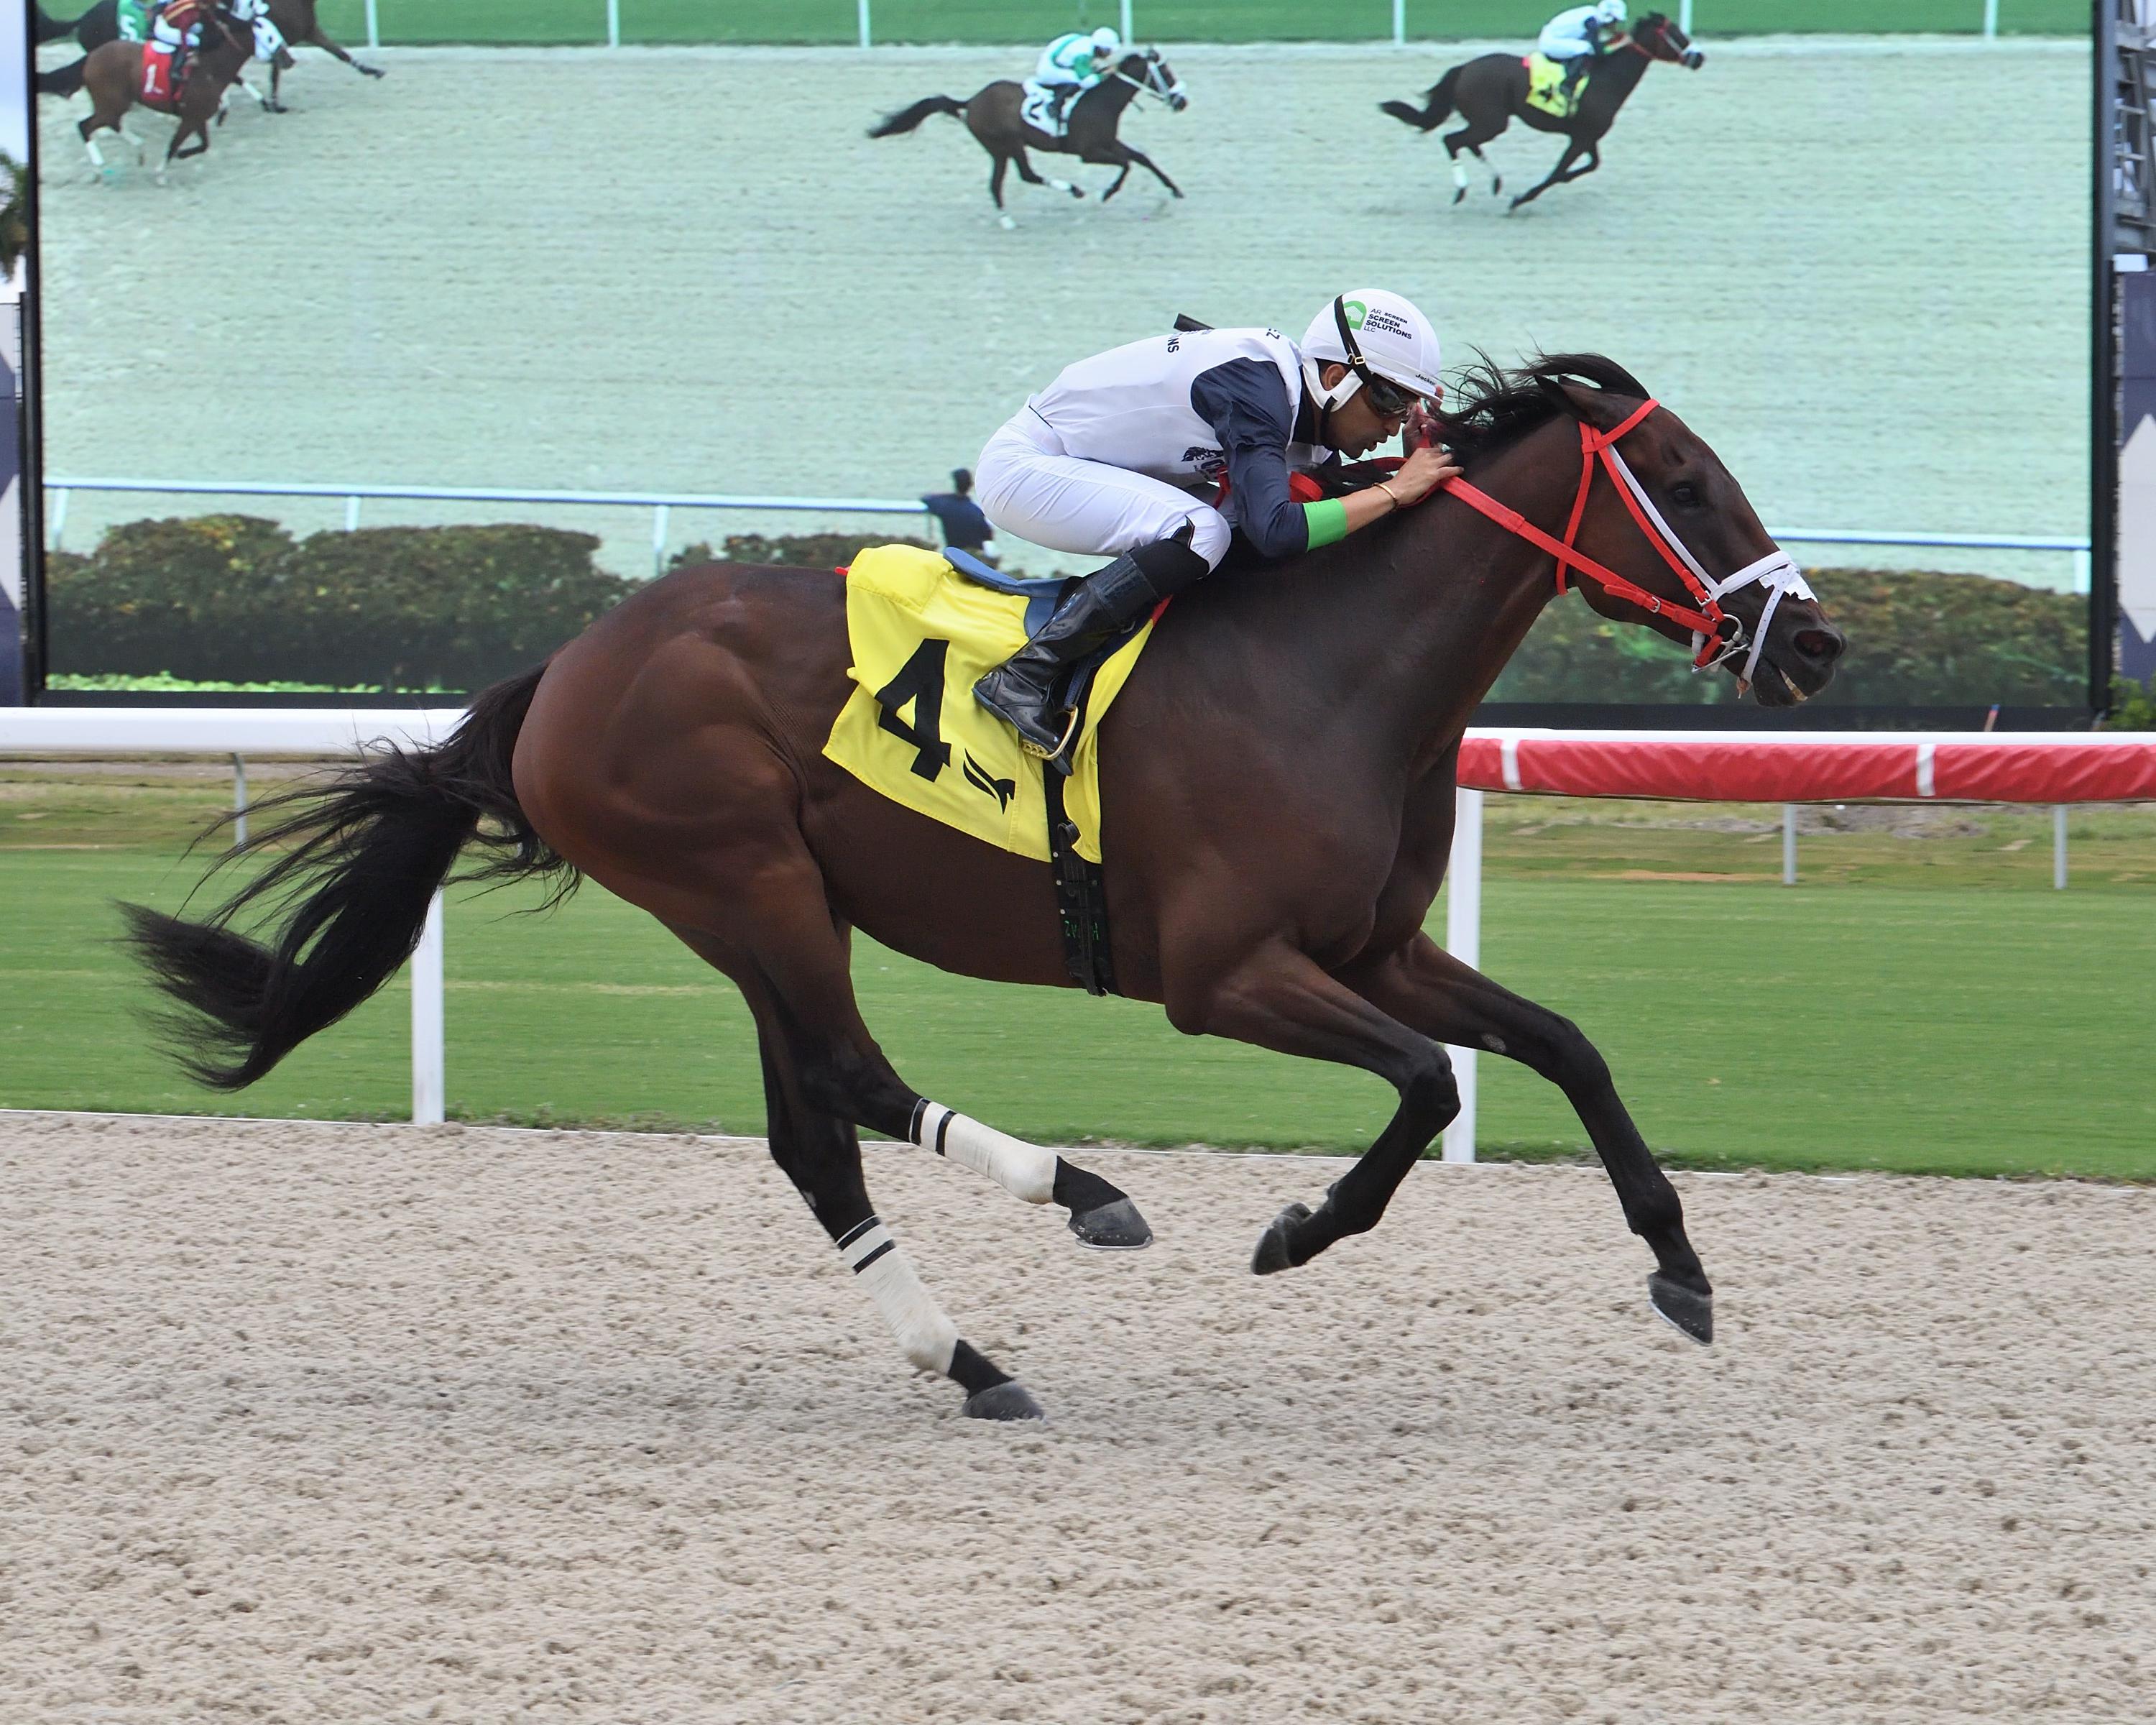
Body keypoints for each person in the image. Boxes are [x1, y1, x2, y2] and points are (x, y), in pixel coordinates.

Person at [969, 290, 1460, 758]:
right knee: (1202, 531)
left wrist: (1408, 457)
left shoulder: (1298, 409)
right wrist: (1395, 492)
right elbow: (1278, 532)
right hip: (1028, 467)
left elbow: (1307, 516)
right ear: (1334, 379)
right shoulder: (1259, 392)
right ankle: (1026, 675)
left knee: (1225, 529)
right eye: (1390, 402)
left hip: (1082, 465)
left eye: (1410, 404)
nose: (1396, 423)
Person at [1027, 24, 1120, 133]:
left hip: (1055, 60)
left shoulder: (1087, 44)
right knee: (1079, 80)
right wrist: (1106, 75)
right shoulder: (1083, 53)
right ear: (1100, 48)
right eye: (1108, 51)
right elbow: (1086, 82)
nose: (1109, 54)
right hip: (1049, 70)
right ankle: (1054, 105)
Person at [1538, 0, 1626, 111]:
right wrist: (1618, 45)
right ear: (1608, 16)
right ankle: (1567, 86)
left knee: (1585, 47)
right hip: (1550, 42)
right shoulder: (1591, 21)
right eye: (1614, 21)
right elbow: (1598, 51)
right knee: (1585, 48)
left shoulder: (1592, 15)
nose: (1614, 25)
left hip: (1557, 38)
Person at [922, 467, 997, 564]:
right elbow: (988, 535)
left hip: (953, 557)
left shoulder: (945, 507)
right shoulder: (975, 511)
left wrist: (950, 496)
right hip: (974, 559)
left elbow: (927, 498)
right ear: (970, 485)